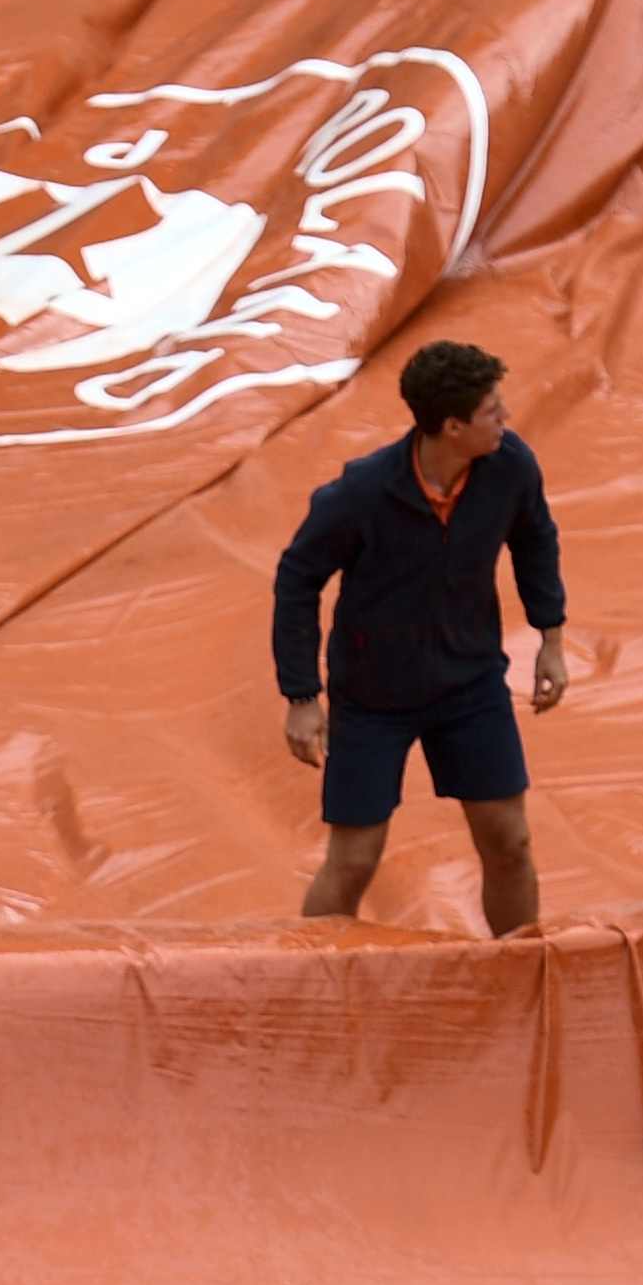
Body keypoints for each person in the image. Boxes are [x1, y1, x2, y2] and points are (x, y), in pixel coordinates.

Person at [272, 338, 571, 936]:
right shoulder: (361, 494)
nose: (506, 420)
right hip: (373, 698)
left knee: (509, 842)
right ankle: (307, 980)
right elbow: (297, 578)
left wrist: (551, 638)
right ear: (452, 426)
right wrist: (303, 697)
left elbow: (534, 539)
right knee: (354, 859)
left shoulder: (509, 466)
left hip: (470, 686)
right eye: (492, 410)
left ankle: (523, 975)